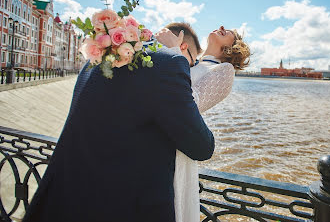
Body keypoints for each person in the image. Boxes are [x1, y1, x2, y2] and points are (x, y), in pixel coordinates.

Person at [22, 25, 214, 222]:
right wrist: (177, 57)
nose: (191, 67)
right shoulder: (170, 64)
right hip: (122, 208)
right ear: (182, 46)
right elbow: (201, 146)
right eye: (193, 61)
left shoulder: (98, 58)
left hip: (63, 201)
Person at [156, 23, 251, 222]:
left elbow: (191, 103)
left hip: (176, 145)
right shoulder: (191, 61)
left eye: (230, 34)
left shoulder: (224, 70)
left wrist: (174, 54)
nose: (223, 27)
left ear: (230, 48)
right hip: (154, 135)